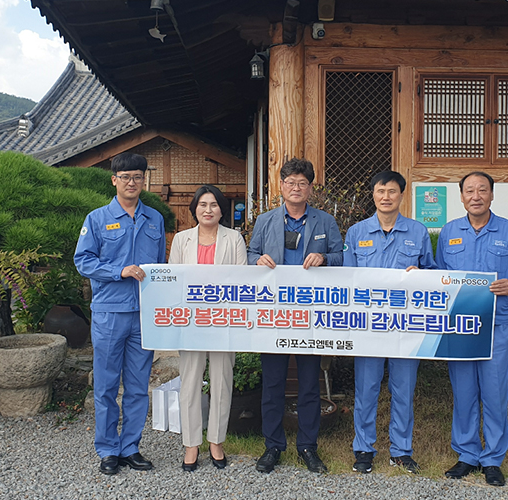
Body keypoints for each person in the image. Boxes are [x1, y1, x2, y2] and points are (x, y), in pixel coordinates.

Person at [435, 171, 508, 487]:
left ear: (492, 195)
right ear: (461, 196)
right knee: (464, 393)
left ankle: (492, 459)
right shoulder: (450, 231)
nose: (475, 196)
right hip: (460, 327)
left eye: (482, 190)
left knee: (494, 394)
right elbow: (438, 274)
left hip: (496, 326)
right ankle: (466, 455)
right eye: (469, 190)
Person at [247, 157, 343, 474]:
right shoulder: (265, 221)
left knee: (309, 385)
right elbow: (250, 256)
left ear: (310, 188)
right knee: (273, 383)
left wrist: (324, 257)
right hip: (274, 314)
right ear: (281, 186)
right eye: (290, 182)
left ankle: (308, 446)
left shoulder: (325, 222)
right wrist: (257, 261)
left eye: (302, 183)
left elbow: (341, 258)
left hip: (311, 314)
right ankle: (273, 446)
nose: (296, 188)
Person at [74, 153, 167, 475]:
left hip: (144, 314)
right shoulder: (97, 218)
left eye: (137, 177)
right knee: (106, 385)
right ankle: (107, 449)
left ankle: (131, 448)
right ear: (114, 179)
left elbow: (160, 265)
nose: (132, 182)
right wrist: (119, 271)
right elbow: (82, 261)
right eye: (125, 177)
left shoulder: (154, 219)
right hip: (110, 312)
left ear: (144, 180)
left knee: (139, 385)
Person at [343, 171, 435, 475]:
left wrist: (419, 275)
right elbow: (347, 280)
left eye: (392, 191)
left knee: (403, 389)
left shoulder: (418, 232)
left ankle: (401, 450)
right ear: (373, 195)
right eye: (381, 191)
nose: (386, 197)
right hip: (368, 327)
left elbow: (433, 277)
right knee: (366, 389)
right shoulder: (356, 233)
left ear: (401, 195)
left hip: (406, 328)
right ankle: (364, 449)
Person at [167, 185, 247, 472]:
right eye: (202, 204)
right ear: (194, 209)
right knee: (189, 383)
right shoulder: (181, 240)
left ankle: (216, 441)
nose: (208, 209)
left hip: (223, 322)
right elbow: (172, 279)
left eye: (214, 204)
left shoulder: (234, 239)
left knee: (222, 381)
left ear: (222, 209)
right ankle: (191, 444)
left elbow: (241, 281)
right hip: (190, 322)